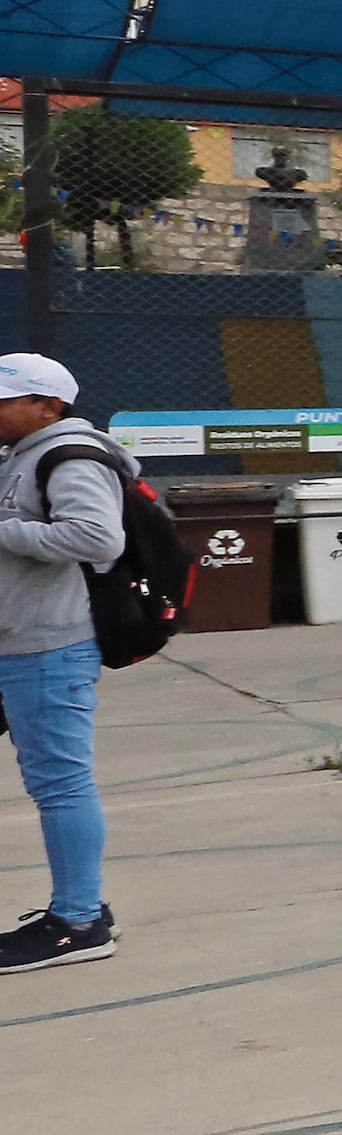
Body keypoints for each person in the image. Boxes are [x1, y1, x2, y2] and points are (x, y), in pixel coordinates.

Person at [0, 351, 123, 975]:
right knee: (57, 780)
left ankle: (78, 921)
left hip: (47, 645)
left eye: (4, 399)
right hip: (13, 637)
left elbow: (98, 539)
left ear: (48, 405)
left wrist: (5, 531)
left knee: (60, 782)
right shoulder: (20, 457)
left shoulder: (68, 456)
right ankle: (79, 910)